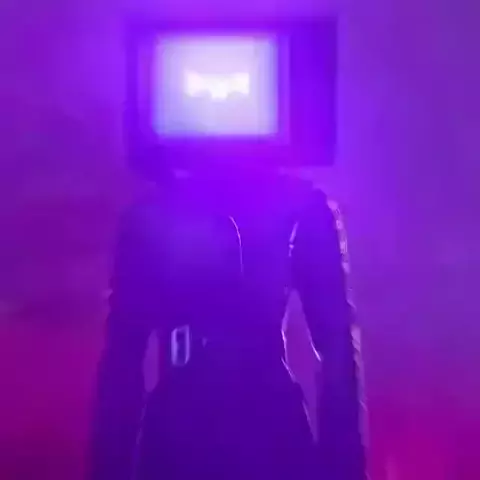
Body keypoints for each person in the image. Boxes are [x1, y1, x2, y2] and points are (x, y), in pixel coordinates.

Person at [90, 163, 366, 480]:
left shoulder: (152, 214)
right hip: (239, 430)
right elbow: (122, 358)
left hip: (214, 430)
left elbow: (122, 356)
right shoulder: (297, 206)